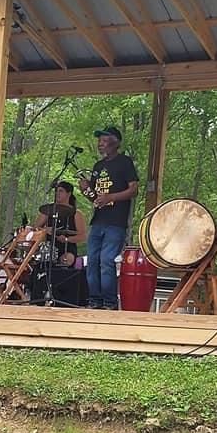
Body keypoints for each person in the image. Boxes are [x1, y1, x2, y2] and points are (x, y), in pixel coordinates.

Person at [80, 126, 138, 310]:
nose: (100, 144)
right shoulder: (98, 166)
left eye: (104, 140)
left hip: (116, 222)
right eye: (99, 141)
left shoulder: (124, 162)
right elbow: (96, 199)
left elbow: (133, 190)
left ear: (115, 142)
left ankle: (110, 303)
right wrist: (85, 190)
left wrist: (111, 197)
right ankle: (94, 301)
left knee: (106, 260)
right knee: (92, 261)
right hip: (98, 221)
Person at [35, 181, 87, 266]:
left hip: (67, 248)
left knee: (67, 260)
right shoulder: (48, 210)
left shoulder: (76, 213)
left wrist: (67, 239)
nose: (57, 193)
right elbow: (35, 229)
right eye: (56, 191)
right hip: (48, 247)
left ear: (69, 194)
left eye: (61, 191)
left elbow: (82, 236)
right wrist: (45, 230)